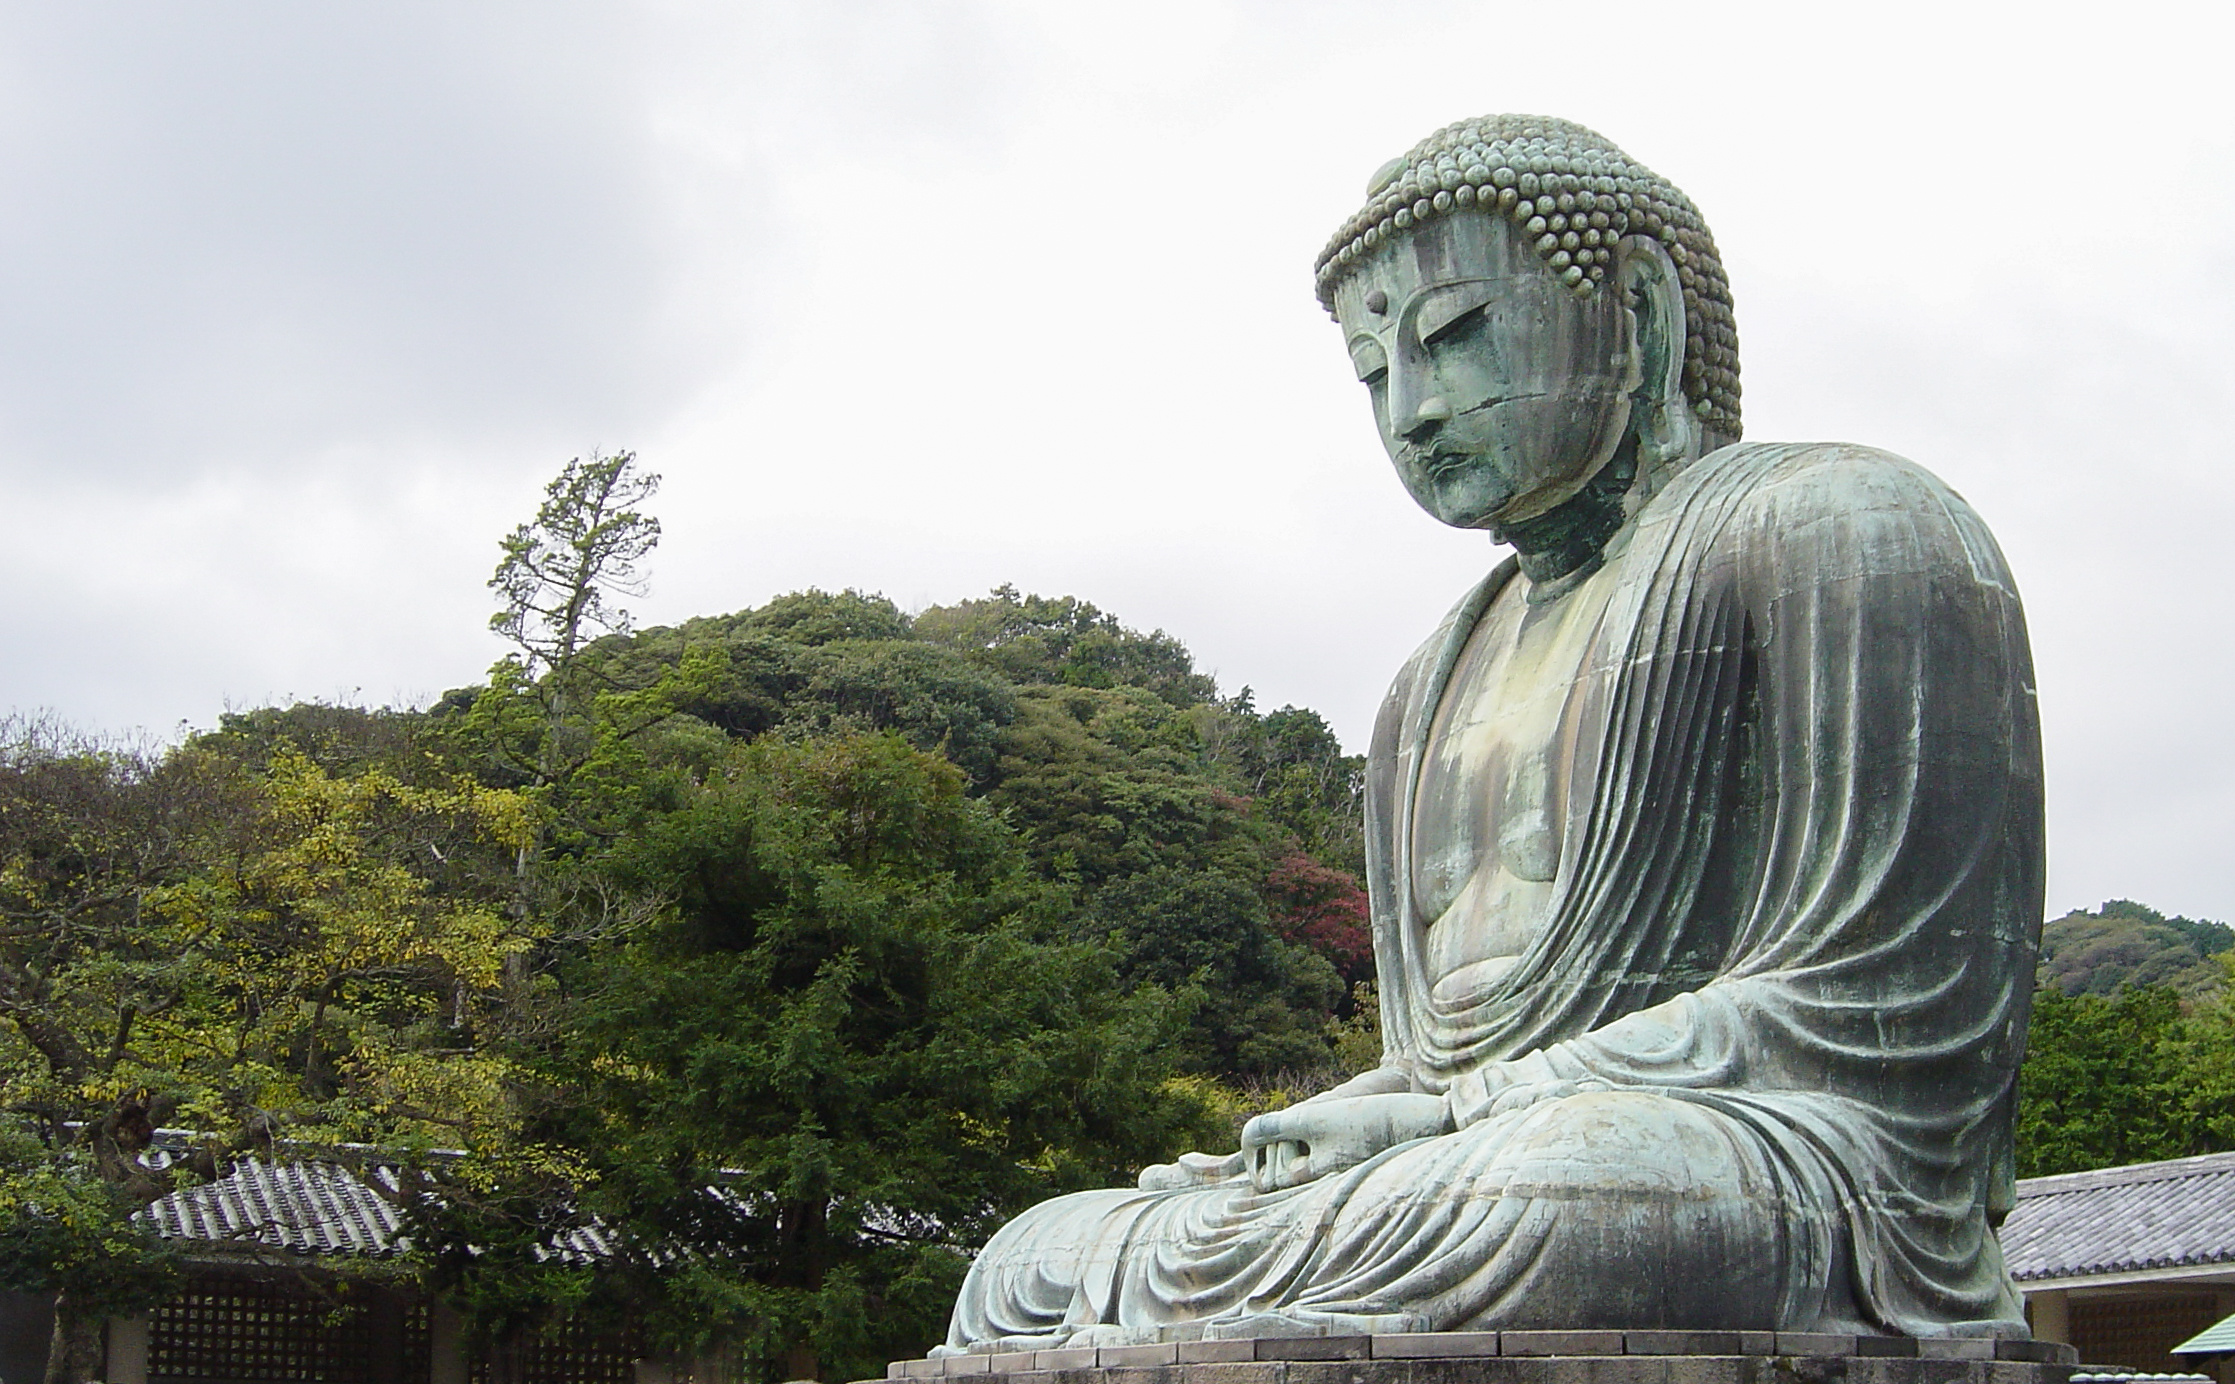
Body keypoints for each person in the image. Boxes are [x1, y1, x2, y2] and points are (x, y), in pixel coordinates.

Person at [938, 114, 2043, 1349]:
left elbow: (1882, 1008)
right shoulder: (1421, 692)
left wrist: (1459, 1118)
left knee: (1563, 1194)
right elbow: (1430, 1064)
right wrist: (1338, 1129)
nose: (1412, 411)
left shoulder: (1841, 530)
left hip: (1762, 1165)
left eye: (1454, 338)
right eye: (1374, 373)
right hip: (1469, 1163)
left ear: (1637, 312)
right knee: (1030, 1258)